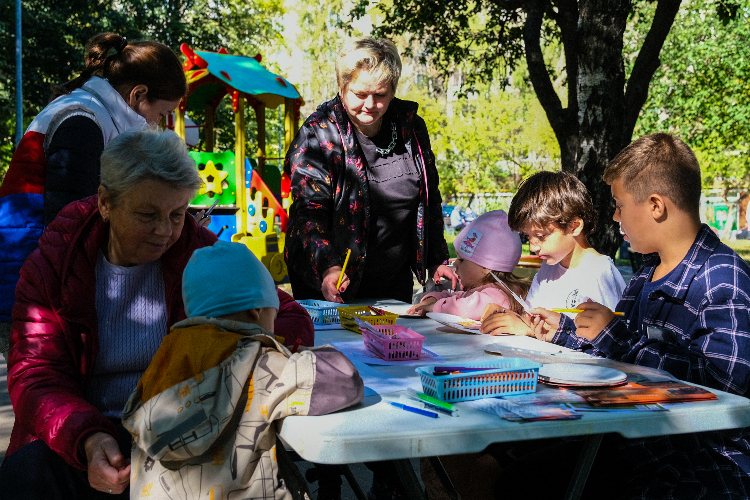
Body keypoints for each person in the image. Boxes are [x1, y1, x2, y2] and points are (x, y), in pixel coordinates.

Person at [0, 129, 313, 499]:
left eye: (177, 214)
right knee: (27, 473)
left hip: (182, 429)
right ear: (105, 203)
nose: (165, 231)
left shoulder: (197, 250)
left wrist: (232, 363)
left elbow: (288, 316)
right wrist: (87, 436)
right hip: (88, 430)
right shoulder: (56, 263)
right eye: (147, 214)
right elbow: (37, 373)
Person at [517, 134, 750, 498]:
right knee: (515, 461)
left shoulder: (721, 277)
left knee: (528, 480)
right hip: (640, 438)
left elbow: (724, 383)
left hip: (701, 461)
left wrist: (616, 338)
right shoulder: (645, 275)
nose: (614, 217)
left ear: (655, 205)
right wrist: (562, 332)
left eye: (620, 205)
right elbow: (617, 349)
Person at [0, 32, 196, 356]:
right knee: (48, 378)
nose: (157, 123)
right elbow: (71, 220)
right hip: (34, 274)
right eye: (160, 114)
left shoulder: (93, 112)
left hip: (39, 264)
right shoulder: (83, 119)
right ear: (138, 95)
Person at [122, 241, 363, 500]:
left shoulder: (165, 358)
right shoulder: (257, 363)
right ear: (256, 310)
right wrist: (292, 351)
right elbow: (344, 380)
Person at [284, 37, 456, 306]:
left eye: (381, 95)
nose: (370, 104)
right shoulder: (316, 134)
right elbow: (309, 214)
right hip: (331, 281)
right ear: (343, 88)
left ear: (393, 90)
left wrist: (436, 261)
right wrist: (328, 268)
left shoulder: (411, 127)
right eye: (360, 94)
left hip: (393, 282)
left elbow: (429, 199)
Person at [480, 171, 625, 336]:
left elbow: (610, 340)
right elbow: (532, 318)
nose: (533, 247)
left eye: (541, 236)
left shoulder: (599, 272)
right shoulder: (549, 268)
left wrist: (529, 329)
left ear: (574, 226)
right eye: (528, 237)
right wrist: (507, 315)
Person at [407, 210, 528, 321]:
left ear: (486, 267)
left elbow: (463, 307)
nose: (455, 263)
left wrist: (435, 307)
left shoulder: (498, 295)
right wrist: (432, 299)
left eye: (462, 260)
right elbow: (454, 296)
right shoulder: (480, 290)